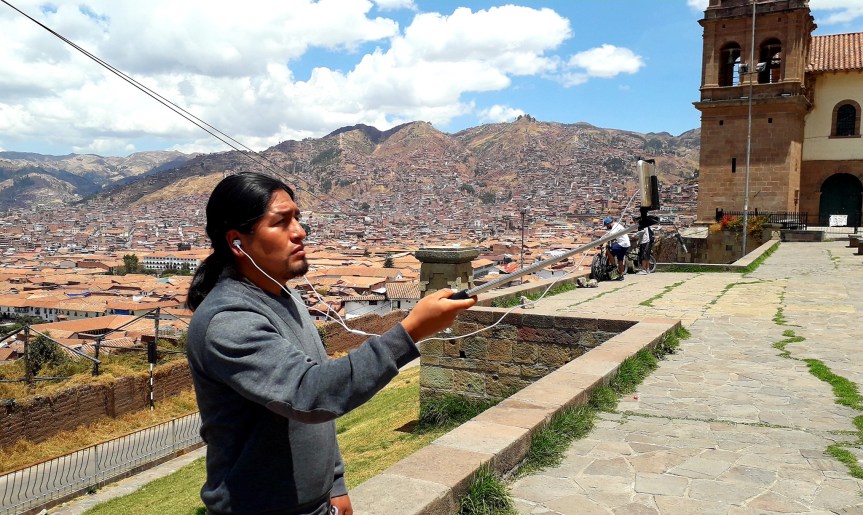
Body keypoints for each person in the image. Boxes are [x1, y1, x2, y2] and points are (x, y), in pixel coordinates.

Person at [185, 172, 476, 515]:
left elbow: (318, 394)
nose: (300, 232)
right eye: (281, 222)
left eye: (297, 218)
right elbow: (311, 393)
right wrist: (410, 331)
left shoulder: (286, 298)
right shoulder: (228, 320)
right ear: (237, 242)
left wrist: (334, 483)